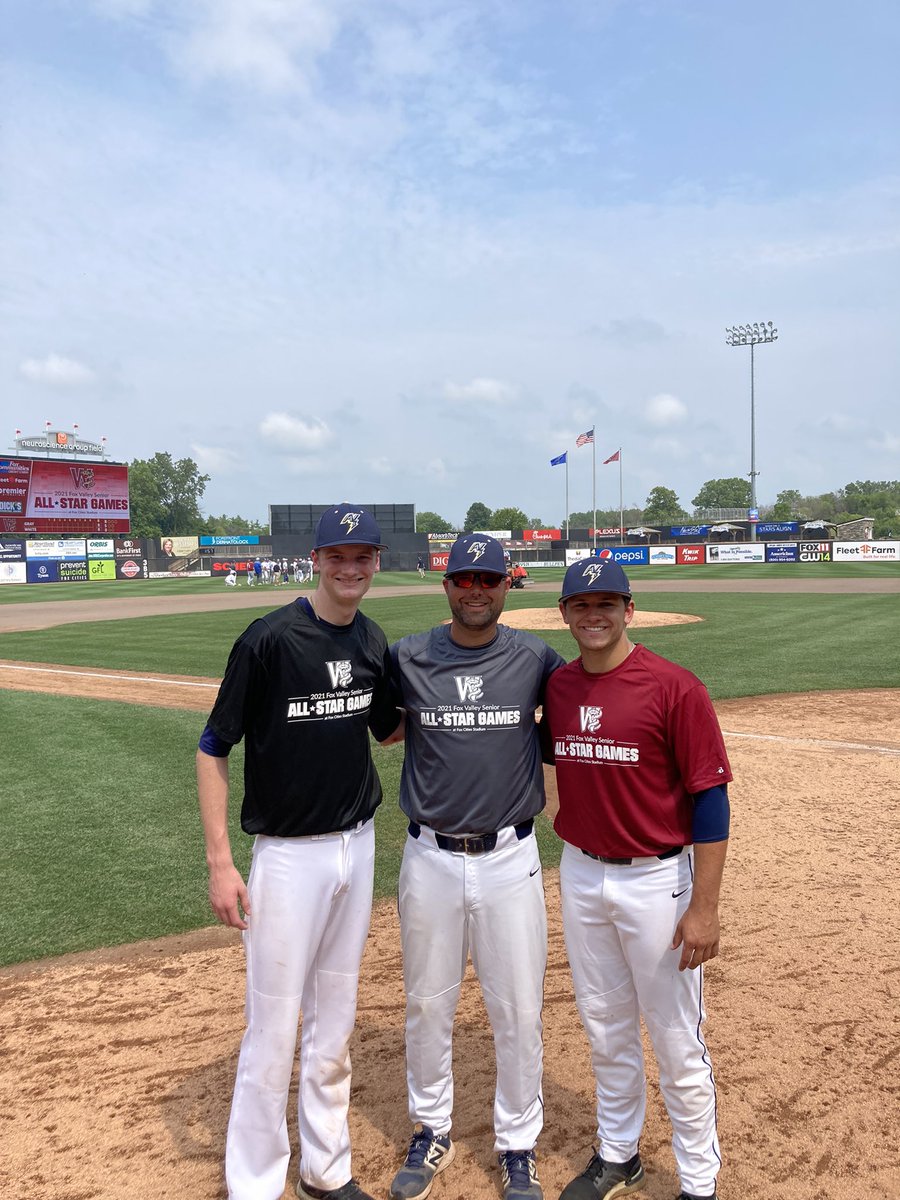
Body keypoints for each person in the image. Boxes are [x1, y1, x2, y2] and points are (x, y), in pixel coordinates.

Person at [196, 504, 404, 1200]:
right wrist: (221, 863)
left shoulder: (372, 640)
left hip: (358, 845)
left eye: (363, 556)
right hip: (287, 857)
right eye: (338, 556)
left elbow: (387, 730)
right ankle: (254, 1183)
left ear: (376, 563)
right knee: (273, 1026)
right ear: (315, 560)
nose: (351, 568)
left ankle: (326, 1166)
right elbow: (213, 747)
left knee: (335, 1019)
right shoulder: (270, 640)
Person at [542, 558, 732, 1200]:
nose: (593, 615)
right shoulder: (560, 688)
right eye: (581, 605)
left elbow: (711, 800)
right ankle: (619, 1153)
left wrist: (703, 906)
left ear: (630, 609)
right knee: (604, 1024)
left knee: (676, 1036)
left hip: (657, 880)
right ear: (564, 614)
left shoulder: (674, 687)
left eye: (607, 603)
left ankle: (700, 1180)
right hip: (582, 873)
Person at [389, 534, 565, 1200]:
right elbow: (379, 725)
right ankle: (430, 1128)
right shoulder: (408, 657)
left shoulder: (535, 659)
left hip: (510, 858)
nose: (475, 589)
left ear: (505, 585)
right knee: (426, 1004)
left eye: (487, 579)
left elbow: (571, 732)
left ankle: (517, 1143)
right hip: (429, 857)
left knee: (518, 1010)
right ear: (446, 585)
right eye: (463, 578)